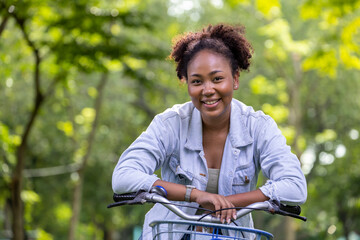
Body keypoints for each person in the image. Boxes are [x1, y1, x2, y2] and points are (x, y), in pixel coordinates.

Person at [112, 23, 307, 240]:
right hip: (169, 233)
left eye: (217, 79)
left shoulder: (259, 126)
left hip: (233, 235)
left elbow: (295, 186)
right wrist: (195, 195)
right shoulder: (170, 123)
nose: (207, 90)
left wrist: (228, 203)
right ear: (186, 84)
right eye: (197, 81)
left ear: (235, 79)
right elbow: (123, 176)